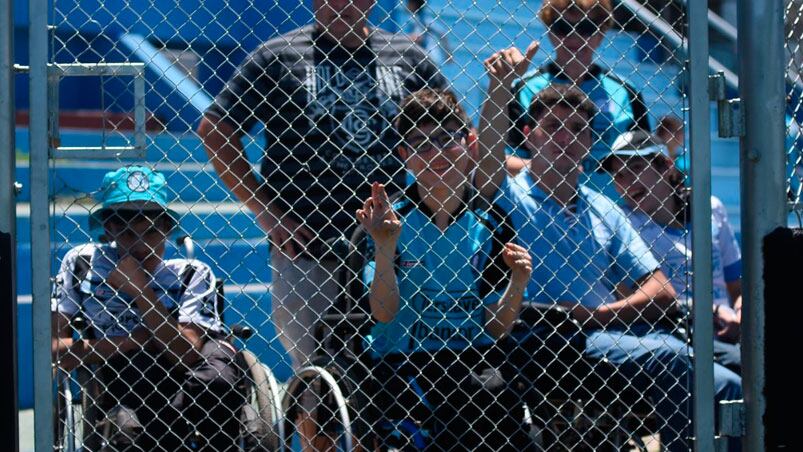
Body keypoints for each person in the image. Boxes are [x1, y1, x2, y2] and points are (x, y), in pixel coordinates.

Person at [476, 44, 743, 451]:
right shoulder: (508, 195)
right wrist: (500, 86)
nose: (566, 139)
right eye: (554, 128)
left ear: (589, 142)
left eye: (578, 130)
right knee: (676, 362)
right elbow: (486, 161)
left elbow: (660, 289)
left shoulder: (602, 207)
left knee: (732, 378)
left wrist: (601, 314)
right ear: (529, 136)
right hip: (548, 339)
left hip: (612, 333)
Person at [198, 0, 447, 372]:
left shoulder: (408, 56)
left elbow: (453, 130)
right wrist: (268, 213)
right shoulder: (277, 56)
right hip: (309, 248)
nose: (342, 5)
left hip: (395, 251)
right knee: (317, 381)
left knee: (395, 373)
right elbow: (216, 129)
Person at [357, 88, 534, 449]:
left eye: (445, 139)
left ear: (469, 143)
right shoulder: (388, 222)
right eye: (420, 144)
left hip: (474, 361)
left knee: (493, 397)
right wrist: (385, 246)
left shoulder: (492, 222)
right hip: (404, 362)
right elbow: (384, 312)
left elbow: (496, 327)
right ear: (405, 156)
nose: (436, 153)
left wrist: (518, 280)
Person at [51, 166, 244, 451]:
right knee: (128, 424)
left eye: (151, 232)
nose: (141, 245)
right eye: (128, 234)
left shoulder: (192, 273)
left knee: (216, 380)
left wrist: (140, 290)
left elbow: (185, 354)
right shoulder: (82, 264)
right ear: (109, 230)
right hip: (123, 376)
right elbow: (55, 351)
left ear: (167, 230)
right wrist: (132, 341)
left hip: (185, 380)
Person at [601, 130, 743, 374]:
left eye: (635, 168)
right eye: (619, 175)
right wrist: (712, 310)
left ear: (666, 166)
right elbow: (629, 296)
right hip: (674, 331)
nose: (626, 183)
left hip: (731, 331)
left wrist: (740, 317)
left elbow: (738, 284)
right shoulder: (621, 224)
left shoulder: (710, 208)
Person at [506, 0, 650, 176]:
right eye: (562, 27)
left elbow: (645, 159)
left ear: (602, 33)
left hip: (613, 201)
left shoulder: (626, 91)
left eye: (586, 28)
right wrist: (555, 169)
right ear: (549, 31)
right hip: (545, 200)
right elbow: (502, 159)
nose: (574, 36)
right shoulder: (524, 87)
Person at [399, 0, 453, 66]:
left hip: (429, 56)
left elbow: (418, 37)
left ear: (414, 4)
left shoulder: (422, 19)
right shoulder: (415, 18)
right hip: (423, 57)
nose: (406, 5)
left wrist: (448, 54)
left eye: (409, 3)